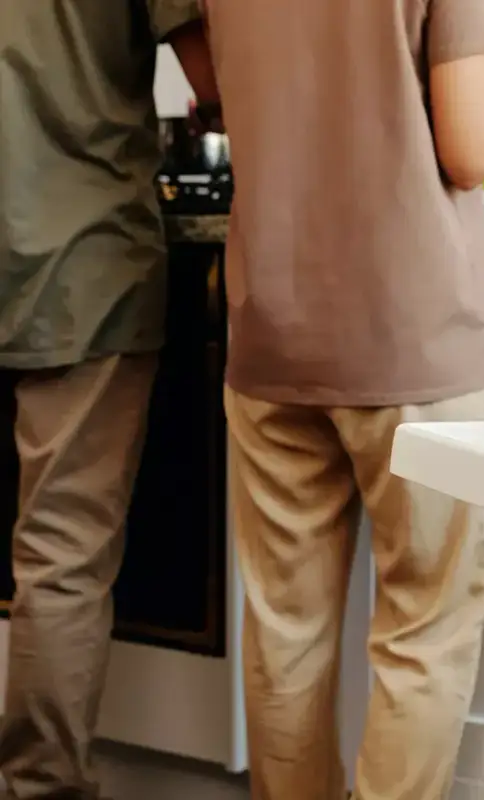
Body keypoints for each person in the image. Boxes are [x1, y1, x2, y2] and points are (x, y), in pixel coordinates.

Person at [199, 1, 484, 798]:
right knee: (426, 624)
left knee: (284, 626)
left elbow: (226, 93)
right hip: (411, 334)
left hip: (272, 328)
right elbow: (471, 149)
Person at [0, 4, 219, 798]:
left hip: (71, 263)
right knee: (59, 559)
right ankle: (39, 790)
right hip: (80, 262)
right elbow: (221, 78)